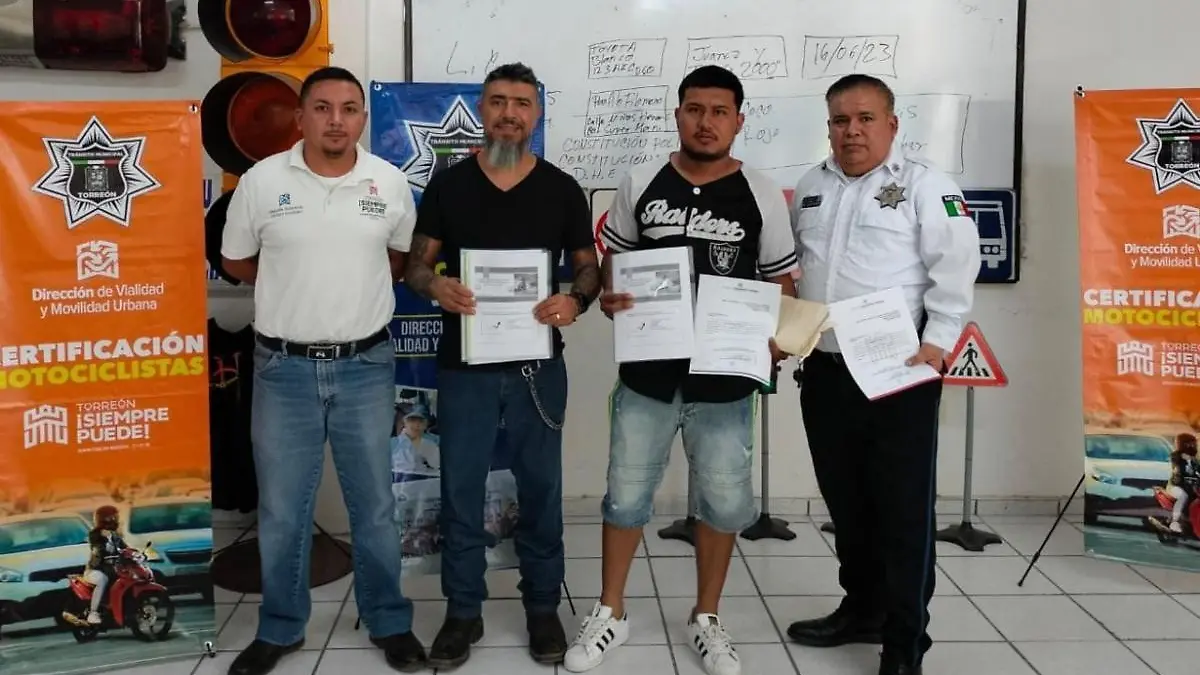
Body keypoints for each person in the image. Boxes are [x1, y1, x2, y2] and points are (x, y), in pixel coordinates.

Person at [563, 65, 798, 675]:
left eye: (719, 112)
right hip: (648, 375)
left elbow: (781, 279)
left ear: (738, 121)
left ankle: (707, 617)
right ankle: (610, 611)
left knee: (723, 503)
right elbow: (615, 263)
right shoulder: (641, 181)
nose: (706, 122)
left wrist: (777, 335)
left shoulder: (762, 191)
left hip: (724, 380)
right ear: (678, 115)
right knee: (625, 497)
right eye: (694, 109)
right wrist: (611, 296)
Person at [220, 66, 426, 675]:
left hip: (366, 365)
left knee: (375, 505)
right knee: (283, 510)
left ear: (363, 118)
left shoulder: (389, 182)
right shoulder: (261, 181)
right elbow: (236, 262)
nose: (337, 120)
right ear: (301, 116)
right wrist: (294, 281)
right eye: (323, 107)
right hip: (283, 369)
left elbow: (398, 260)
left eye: (349, 108)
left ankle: (389, 621)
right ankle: (281, 629)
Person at [403, 62, 600, 670]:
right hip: (466, 366)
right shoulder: (449, 186)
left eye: (521, 103)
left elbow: (588, 267)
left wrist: (576, 300)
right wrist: (436, 288)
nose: (509, 113)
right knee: (460, 489)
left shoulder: (562, 189)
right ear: (483, 110)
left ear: (536, 114)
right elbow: (415, 266)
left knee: (541, 489)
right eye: (497, 102)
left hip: (538, 368)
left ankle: (542, 607)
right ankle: (463, 611)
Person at [785, 74, 981, 675]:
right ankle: (862, 609)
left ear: (892, 124)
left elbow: (956, 268)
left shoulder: (926, 186)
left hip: (898, 374)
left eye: (865, 118)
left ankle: (904, 642)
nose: (852, 131)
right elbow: (798, 273)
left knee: (902, 511)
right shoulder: (811, 187)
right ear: (828, 126)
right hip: (825, 370)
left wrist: (938, 343)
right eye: (841, 120)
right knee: (847, 503)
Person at [82, 505, 128, 624]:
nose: (117, 520)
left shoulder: (115, 535)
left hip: (111, 569)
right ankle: (93, 613)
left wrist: (136, 553)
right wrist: (106, 544)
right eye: (114, 517)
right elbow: (98, 548)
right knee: (102, 580)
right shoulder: (95, 534)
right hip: (95, 570)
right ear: (106, 519)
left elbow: (125, 548)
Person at [1167, 433, 1199, 533]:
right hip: (1175, 486)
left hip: (1190, 486)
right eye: (1191, 443)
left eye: (1194, 443)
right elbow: (1177, 470)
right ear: (1184, 444)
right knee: (1183, 496)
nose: (1194, 445)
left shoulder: (1194, 460)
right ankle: (1174, 522)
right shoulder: (1176, 456)